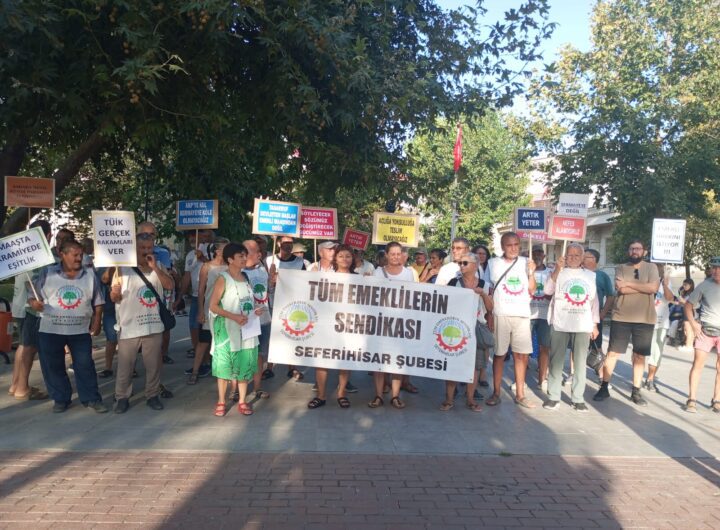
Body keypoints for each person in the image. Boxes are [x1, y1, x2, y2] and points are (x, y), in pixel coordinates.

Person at [30, 240, 107, 413]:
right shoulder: (47, 273)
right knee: (52, 365)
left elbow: (98, 301)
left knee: (85, 365)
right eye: (75, 255)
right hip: (50, 329)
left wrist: (97, 321)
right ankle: (60, 398)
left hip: (79, 330)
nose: (79, 258)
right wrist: (34, 303)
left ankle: (92, 398)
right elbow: (32, 296)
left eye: (81, 254)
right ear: (62, 255)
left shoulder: (89, 274)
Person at [111, 232, 175, 413]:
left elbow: (170, 286)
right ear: (134, 248)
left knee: (153, 365)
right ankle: (122, 397)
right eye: (142, 248)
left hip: (153, 325)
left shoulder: (159, 266)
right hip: (129, 326)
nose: (146, 251)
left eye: (149, 247)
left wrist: (155, 268)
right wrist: (115, 292)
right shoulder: (122, 269)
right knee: (125, 366)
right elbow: (114, 298)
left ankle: (152, 395)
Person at [593, 239, 660, 406]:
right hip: (621, 317)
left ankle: (636, 391)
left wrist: (629, 283)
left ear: (644, 251)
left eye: (638, 248)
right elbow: (621, 289)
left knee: (639, 356)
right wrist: (643, 286)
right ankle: (604, 386)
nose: (634, 251)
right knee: (613, 353)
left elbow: (653, 288)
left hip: (645, 318)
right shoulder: (621, 267)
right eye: (631, 248)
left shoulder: (652, 267)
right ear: (628, 251)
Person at [542, 243, 599, 412]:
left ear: (582, 258)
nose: (573, 258)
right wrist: (557, 269)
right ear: (565, 256)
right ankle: (553, 396)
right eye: (570, 255)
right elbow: (547, 290)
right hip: (560, 322)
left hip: (582, 324)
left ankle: (578, 398)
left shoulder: (590, 275)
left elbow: (594, 302)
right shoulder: (558, 272)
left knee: (580, 363)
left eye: (577, 255)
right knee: (556, 361)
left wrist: (594, 324)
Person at [484, 232, 537, 408]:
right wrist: (489, 314)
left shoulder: (526, 262)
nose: (513, 248)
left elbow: (532, 289)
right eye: (509, 245)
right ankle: (496, 393)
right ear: (502, 246)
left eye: (516, 244)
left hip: (522, 314)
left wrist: (532, 273)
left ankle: (520, 394)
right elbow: (488, 290)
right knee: (499, 354)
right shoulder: (492, 263)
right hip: (501, 313)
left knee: (521, 355)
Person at [208, 243, 261, 416]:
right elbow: (213, 306)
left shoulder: (246, 277)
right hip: (227, 330)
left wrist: (255, 311)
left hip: (247, 329)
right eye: (240, 256)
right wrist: (234, 316)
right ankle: (221, 401)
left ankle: (242, 401)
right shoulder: (223, 279)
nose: (245, 259)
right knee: (225, 366)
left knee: (244, 364)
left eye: (245, 255)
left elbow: (248, 302)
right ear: (230, 259)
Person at [441, 252, 493, 412]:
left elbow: (490, 308)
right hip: (456, 328)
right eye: (460, 263)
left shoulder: (484, 284)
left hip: (477, 328)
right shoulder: (453, 283)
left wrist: (482, 294)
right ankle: (449, 399)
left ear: (475, 265)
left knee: (475, 367)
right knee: (453, 364)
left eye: (465, 263)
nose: (461, 266)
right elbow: (444, 303)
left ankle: (470, 399)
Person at [8, 220, 53, 401]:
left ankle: (16, 384)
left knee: (23, 345)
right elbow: (31, 282)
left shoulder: (27, 252)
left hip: (20, 305)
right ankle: (22, 388)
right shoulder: (37, 254)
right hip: (29, 308)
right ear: (48, 235)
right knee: (28, 347)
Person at [308, 244, 356, 409]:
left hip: (349, 326)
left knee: (345, 361)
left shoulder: (359, 278)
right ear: (335, 258)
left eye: (348, 256)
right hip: (327, 326)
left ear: (353, 259)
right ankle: (321, 395)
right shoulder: (326, 277)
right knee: (322, 360)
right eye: (341, 256)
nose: (345, 259)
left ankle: (341, 393)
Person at [369, 242, 416, 409]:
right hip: (381, 323)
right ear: (387, 255)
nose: (396, 257)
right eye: (392, 254)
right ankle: (378, 396)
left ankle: (395, 396)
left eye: (398, 254)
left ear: (402, 255)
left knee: (397, 360)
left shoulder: (408, 273)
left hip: (401, 323)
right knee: (379, 361)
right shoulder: (377, 272)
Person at [188, 238, 230, 384]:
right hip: (209, 309)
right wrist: (200, 310)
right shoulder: (207, 267)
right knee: (204, 341)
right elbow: (200, 290)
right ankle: (195, 371)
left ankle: (225, 372)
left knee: (225, 340)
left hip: (227, 309)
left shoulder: (231, 266)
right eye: (225, 248)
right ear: (217, 251)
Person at [265, 235, 306, 380]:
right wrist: (271, 278)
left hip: (292, 304)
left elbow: (303, 281)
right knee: (272, 336)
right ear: (278, 244)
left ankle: (292, 367)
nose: (288, 245)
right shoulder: (269, 260)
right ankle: (269, 367)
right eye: (285, 243)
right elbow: (264, 283)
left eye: (291, 243)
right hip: (273, 302)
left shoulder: (299, 262)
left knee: (292, 335)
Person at [683, 257, 720, 413]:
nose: (716, 271)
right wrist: (693, 324)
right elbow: (688, 305)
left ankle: (716, 399)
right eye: (714, 267)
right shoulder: (704, 285)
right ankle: (692, 399)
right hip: (705, 331)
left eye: (719, 268)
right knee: (698, 364)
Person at [175, 229, 212, 363]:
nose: (191, 238)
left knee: (208, 329)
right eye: (189, 235)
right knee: (194, 326)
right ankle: (199, 358)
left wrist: (203, 259)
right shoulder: (190, 255)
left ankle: (209, 359)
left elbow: (219, 269)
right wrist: (179, 298)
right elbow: (187, 277)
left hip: (211, 297)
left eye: (194, 234)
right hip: (196, 297)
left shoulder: (212, 250)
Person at [242, 239, 272, 399]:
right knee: (242, 354)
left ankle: (257, 387)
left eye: (250, 252)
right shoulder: (237, 272)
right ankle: (236, 389)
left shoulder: (263, 270)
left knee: (259, 355)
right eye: (244, 251)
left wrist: (273, 281)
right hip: (245, 320)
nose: (245, 255)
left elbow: (268, 290)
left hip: (264, 319)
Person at [643, 264, 675, 391]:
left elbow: (670, 298)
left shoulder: (665, 282)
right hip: (645, 321)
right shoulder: (644, 279)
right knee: (640, 351)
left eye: (659, 269)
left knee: (657, 352)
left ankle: (650, 379)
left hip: (661, 322)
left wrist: (665, 285)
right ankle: (636, 379)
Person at [583, 249, 616, 355]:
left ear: (594, 259)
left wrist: (603, 313)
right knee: (578, 347)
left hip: (595, 316)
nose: (582, 259)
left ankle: (598, 363)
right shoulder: (579, 273)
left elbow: (610, 296)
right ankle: (576, 366)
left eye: (585, 257)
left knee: (596, 346)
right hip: (579, 314)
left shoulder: (602, 276)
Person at [529, 245, 552, 392]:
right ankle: (520, 380)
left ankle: (542, 380)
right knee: (523, 349)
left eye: (540, 253)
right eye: (534, 253)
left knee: (545, 347)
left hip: (545, 316)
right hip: (527, 314)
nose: (537, 255)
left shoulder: (551, 272)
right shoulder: (526, 271)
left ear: (544, 256)